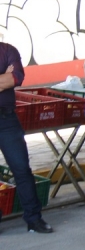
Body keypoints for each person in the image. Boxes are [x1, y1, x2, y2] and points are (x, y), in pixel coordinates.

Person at [0, 33, 53, 233]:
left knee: (22, 169)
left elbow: (16, 78)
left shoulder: (7, 50)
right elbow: (6, 80)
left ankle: (34, 219)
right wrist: (3, 77)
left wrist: (9, 77)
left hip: (7, 119)